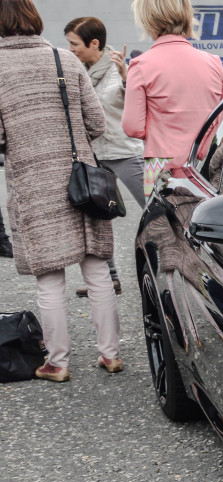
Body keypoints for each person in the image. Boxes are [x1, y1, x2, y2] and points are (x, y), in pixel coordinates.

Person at [0, 0, 122, 381]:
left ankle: (58, 362)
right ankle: (110, 355)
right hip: (80, 178)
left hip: (32, 182)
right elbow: (97, 123)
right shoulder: (64, 60)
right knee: (97, 270)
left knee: (50, 277)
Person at [120, 0, 223, 201]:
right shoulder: (213, 62)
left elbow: (132, 127)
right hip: (206, 161)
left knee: (162, 227)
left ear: (148, 20)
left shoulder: (140, 65)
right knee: (206, 224)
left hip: (160, 165)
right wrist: (205, 141)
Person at [64, 15, 145, 297]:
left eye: (75, 44)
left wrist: (126, 76)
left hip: (127, 152)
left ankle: (174, 268)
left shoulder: (118, 68)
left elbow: (136, 101)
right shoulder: (77, 73)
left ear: (94, 42)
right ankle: (109, 278)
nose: (71, 49)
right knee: (96, 217)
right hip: (94, 155)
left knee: (157, 210)